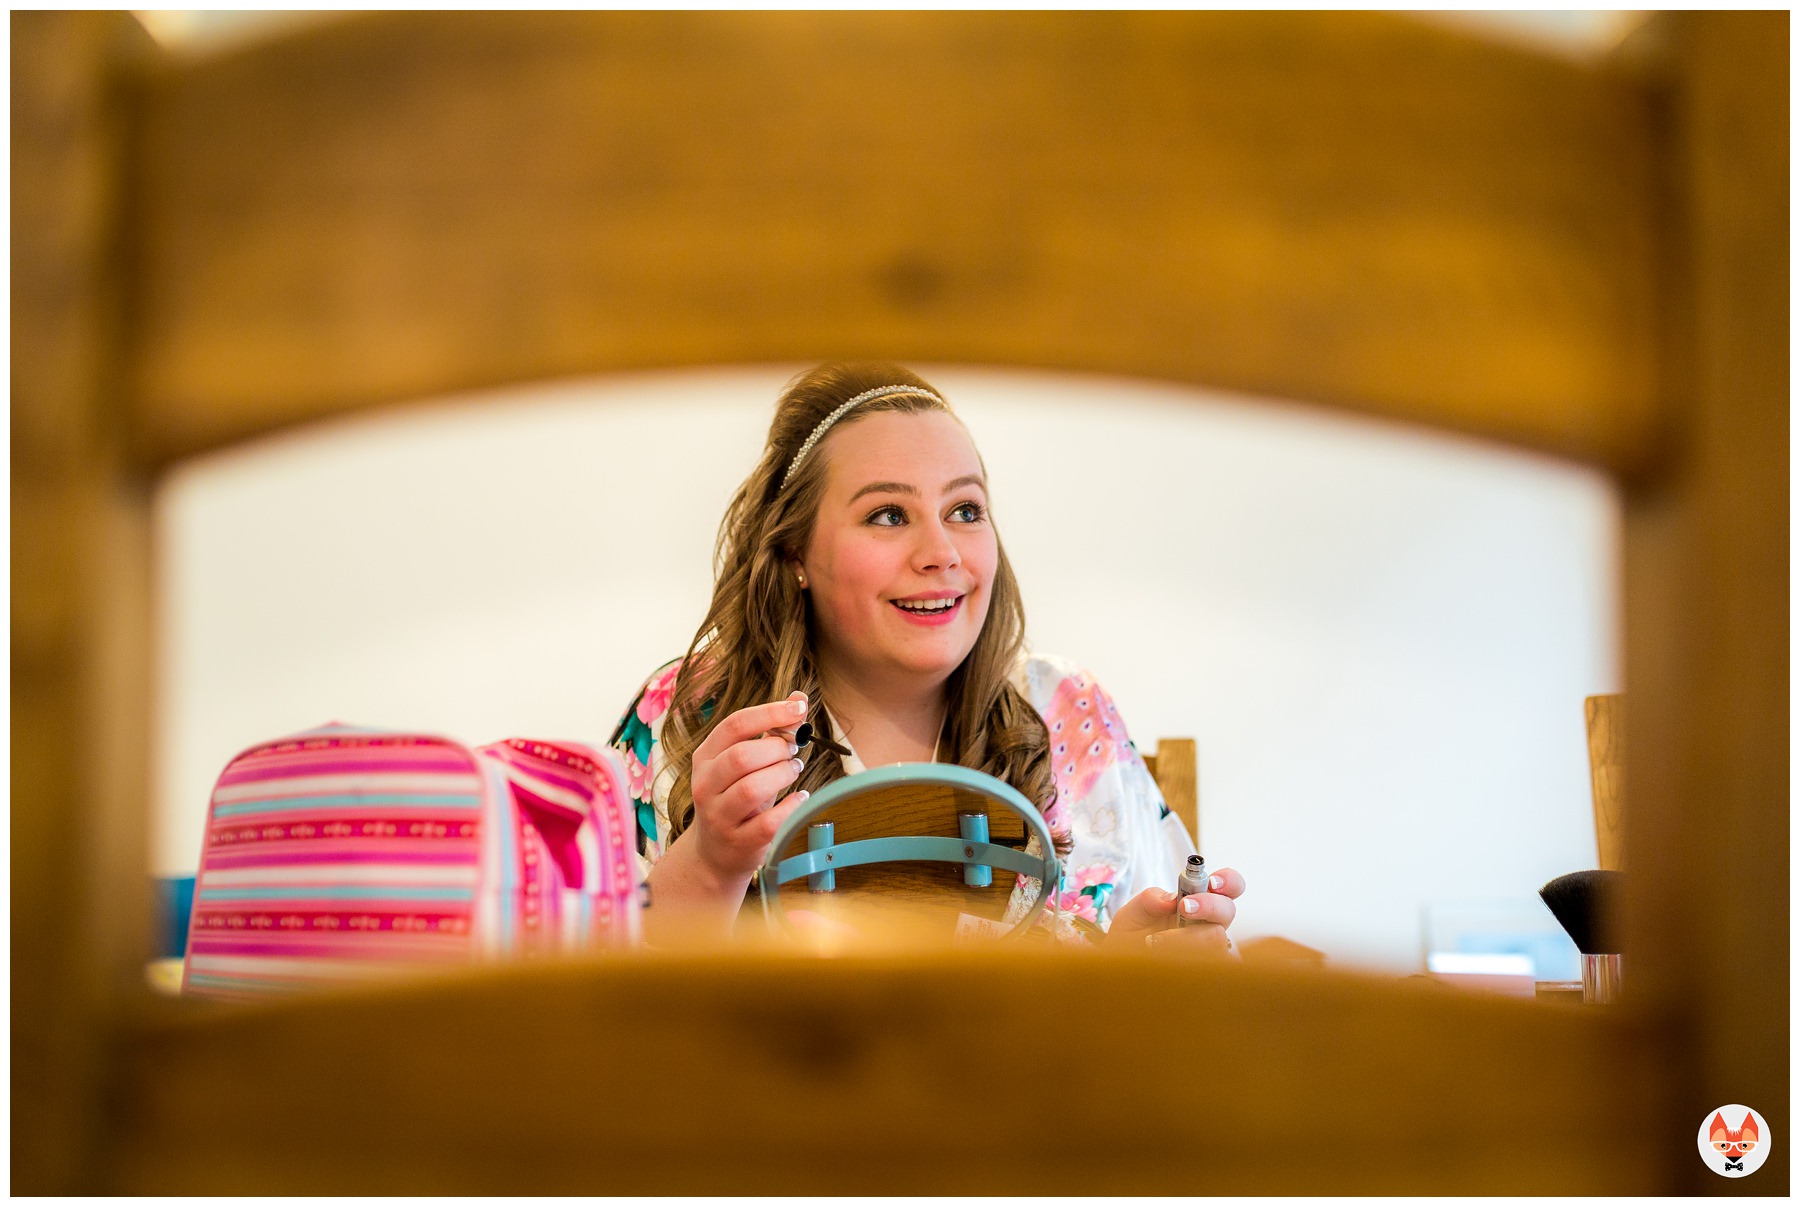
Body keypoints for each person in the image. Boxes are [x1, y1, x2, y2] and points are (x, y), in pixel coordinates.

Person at [609, 362, 1244, 949]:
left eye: (965, 510)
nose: (941, 552)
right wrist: (710, 864)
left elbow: (1148, 1015)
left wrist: (1135, 971)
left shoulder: (1067, 712)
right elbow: (608, 1016)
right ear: (796, 551)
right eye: (888, 515)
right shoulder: (693, 713)